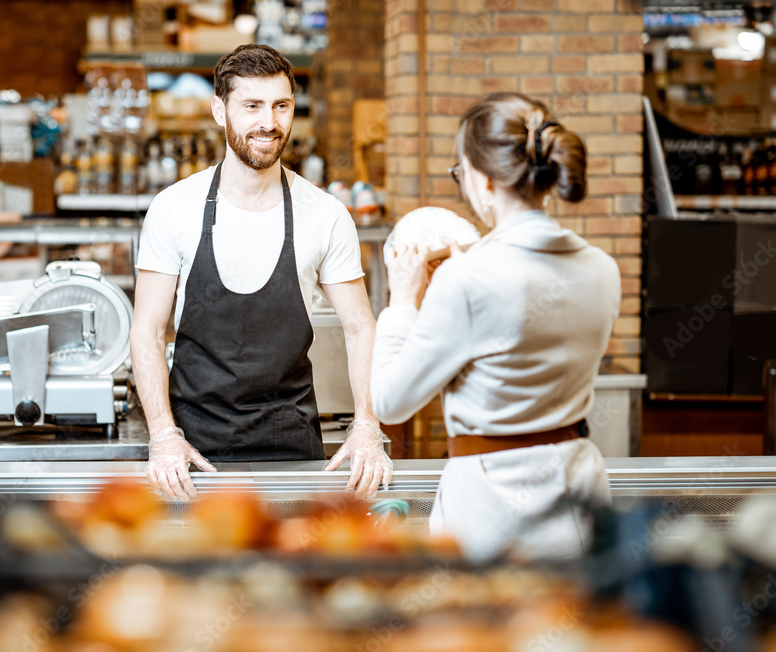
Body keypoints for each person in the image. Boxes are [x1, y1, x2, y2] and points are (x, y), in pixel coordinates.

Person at [131, 44, 392, 501]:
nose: (268, 123)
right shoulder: (174, 208)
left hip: (294, 450)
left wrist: (367, 425)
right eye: (251, 106)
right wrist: (163, 436)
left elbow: (359, 327)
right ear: (220, 110)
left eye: (281, 106)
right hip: (191, 456)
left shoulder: (325, 214)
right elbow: (147, 331)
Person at [371, 92, 621, 563]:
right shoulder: (603, 268)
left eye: (460, 175)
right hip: (580, 501)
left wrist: (403, 302)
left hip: (491, 510)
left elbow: (390, 400)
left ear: (483, 181)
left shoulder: (465, 278)